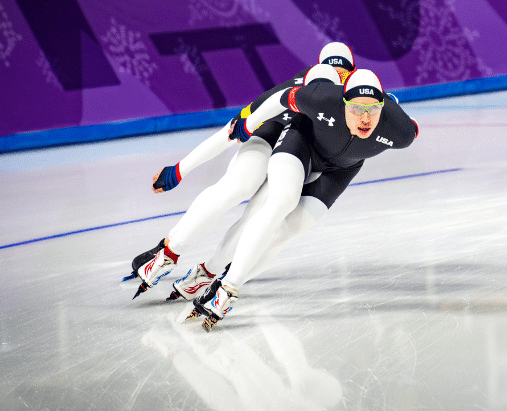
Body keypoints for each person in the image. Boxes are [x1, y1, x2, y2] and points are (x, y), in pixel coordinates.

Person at [190, 68, 419, 330]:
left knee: (285, 234)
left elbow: (412, 127)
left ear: (383, 107)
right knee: (281, 201)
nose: (365, 118)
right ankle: (228, 286)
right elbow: (280, 97)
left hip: (340, 170)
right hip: (300, 143)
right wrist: (249, 123)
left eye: (373, 109)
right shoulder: (322, 97)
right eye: (356, 108)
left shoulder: (400, 132)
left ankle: (224, 284)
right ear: (343, 102)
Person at [129, 43, 355, 298]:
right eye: (332, 71)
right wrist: (181, 168)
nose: (335, 80)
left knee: (261, 212)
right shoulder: (290, 91)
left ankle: (206, 270)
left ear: (352, 73)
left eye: (343, 73)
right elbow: (230, 131)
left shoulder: (355, 101)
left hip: (300, 154)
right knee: (238, 186)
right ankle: (172, 250)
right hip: (272, 135)